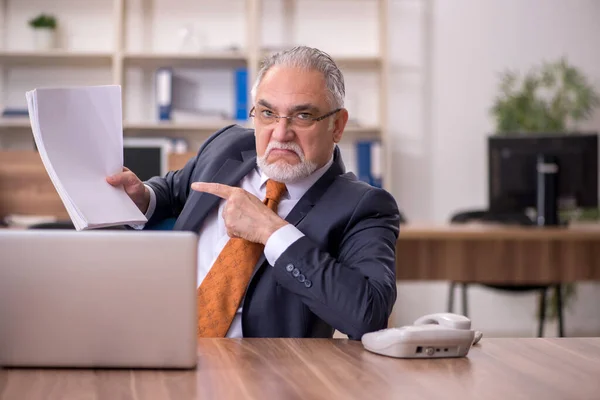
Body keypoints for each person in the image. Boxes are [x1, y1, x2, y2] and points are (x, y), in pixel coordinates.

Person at [106, 46, 400, 340]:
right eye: (268, 113)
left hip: (257, 371)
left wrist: (272, 232)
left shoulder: (363, 206)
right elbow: (173, 191)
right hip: (154, 338)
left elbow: (369, 316)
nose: (281, 133)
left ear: (337, 125)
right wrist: (144, 196)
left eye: (303, 116)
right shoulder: (228, 146)